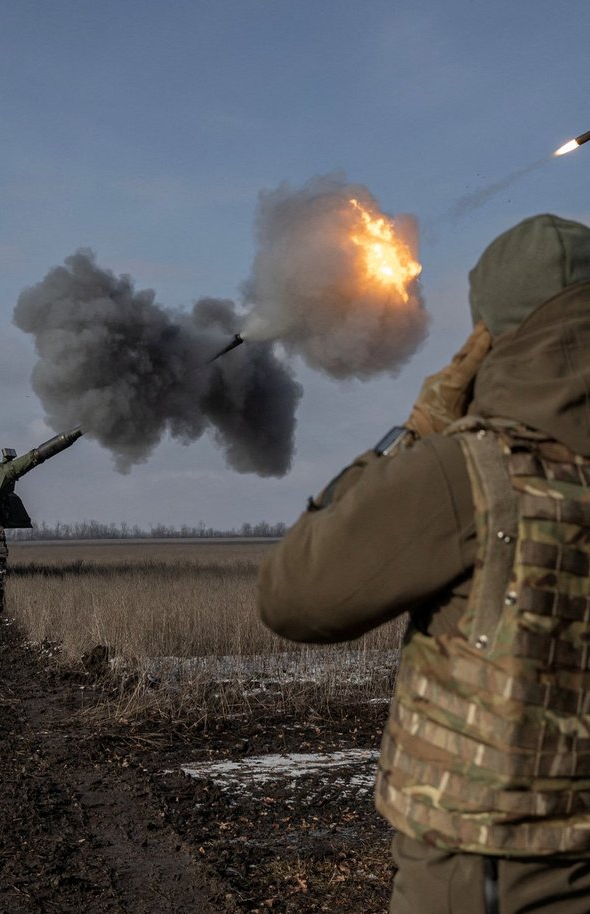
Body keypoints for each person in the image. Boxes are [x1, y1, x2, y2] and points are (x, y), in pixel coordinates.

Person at [257, 214, 590, 914]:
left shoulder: (467, 473)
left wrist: (417, 430)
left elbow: (294, 595)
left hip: (493, 876)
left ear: (490, 335)